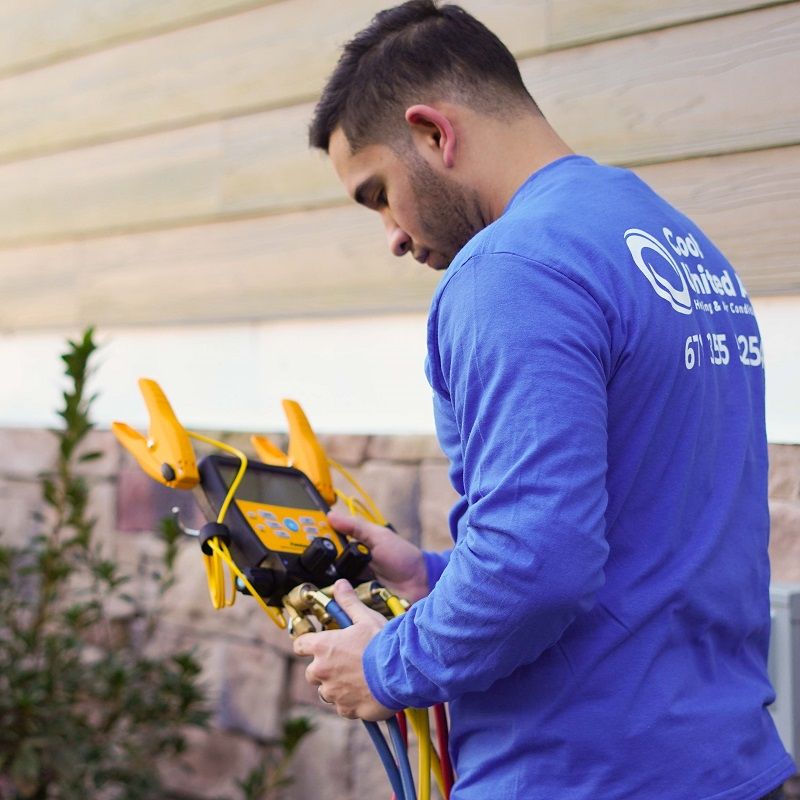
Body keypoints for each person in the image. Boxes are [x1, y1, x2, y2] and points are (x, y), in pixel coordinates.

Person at [291, 2, 795, 797]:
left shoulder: (513, 269)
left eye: (378, 193)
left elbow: (538, 566)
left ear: (432, 133)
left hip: (582, 771)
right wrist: (430, 575)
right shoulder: (676, 242)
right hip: (723, 763)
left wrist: (387, 664)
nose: (390, 232)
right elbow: (641, 533)